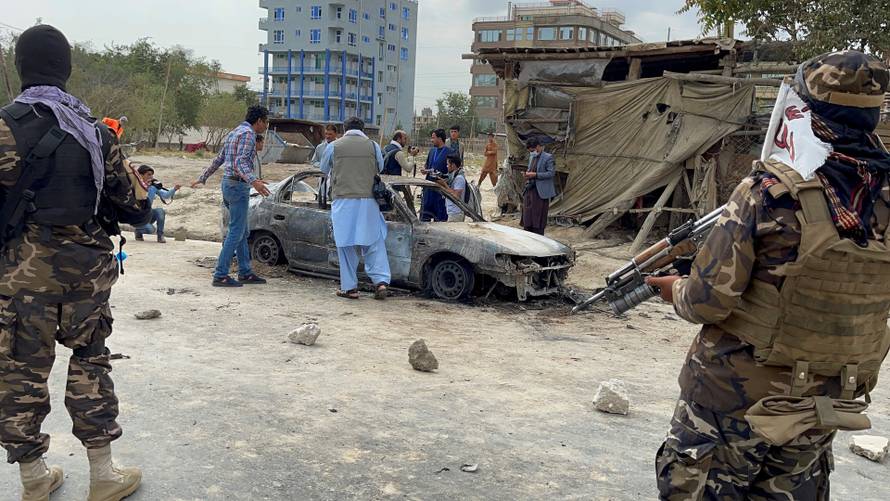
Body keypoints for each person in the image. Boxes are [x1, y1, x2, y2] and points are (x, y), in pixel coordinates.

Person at [646, 51, 890, 500]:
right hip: (825, 402)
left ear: (806, 111)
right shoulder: (881, 195)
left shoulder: (768, 192)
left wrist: (674, 289)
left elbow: (706, 301)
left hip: (733, 400)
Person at [0, 25, 148, 501]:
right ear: (66, 69)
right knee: (90, 363)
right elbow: (136, 207)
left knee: (19, 374)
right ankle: (104, 476)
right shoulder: (96, 133)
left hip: (21, 279)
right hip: (86, 278)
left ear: (21, 67)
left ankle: (34, 479)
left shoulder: (4, 127)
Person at [192, 105, 271, 287]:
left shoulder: (234, 132)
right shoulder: (249, 135)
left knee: (242, 231)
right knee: (236, 232)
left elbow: (219, 158)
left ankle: (245, 272)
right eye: (266, 122)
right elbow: (240, 162)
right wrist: (254, 181)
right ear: (259, 121)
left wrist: (203, 177)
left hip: (229, 184)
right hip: (238, 186)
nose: (266, 126)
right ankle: (220, 274)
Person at [319, 117, 390, 300]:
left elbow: (323, 168)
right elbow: (380, 167)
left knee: (346, 244)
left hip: (343, 201)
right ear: (363, 129)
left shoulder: (334, 146)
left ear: (344, 129)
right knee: (374, 242)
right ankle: (381, 282)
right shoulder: (373, 145)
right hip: (368, 201)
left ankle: (350, 288)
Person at [134, 164, 181, 243]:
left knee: (160, 211)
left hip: (148, 213)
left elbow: (166, 195)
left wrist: (174, 189)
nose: (151, 177)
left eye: (152, 175)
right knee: (151, 229)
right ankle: (138, 231)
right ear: (141, 175)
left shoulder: (153, 187)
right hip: (138, 216)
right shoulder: (135, 186)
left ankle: (160, 235)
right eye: (148, 175)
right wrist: (144, 187)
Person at [520, 137, 556, 235]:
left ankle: (538, 237)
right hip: (530, 190)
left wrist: (536, 175)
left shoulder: (548, 157)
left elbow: (551, 173)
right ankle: (528, 235)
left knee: (538, 215)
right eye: (530, 151)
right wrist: (527, 175)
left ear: (538, 147)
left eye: (532, 150)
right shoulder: (532, 157)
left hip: (540, 192)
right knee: (527, 214)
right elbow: (530, 169)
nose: (532, 153)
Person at [383, 130, 419, 212]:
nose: (406, 141)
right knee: (401, 212)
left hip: (384, 185)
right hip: (394, 187)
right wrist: (412, 156)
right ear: (399, 139)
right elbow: (408, 168)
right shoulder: (398, 152)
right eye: (405, 139)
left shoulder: (385, 148)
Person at [419, 129, 450, 221]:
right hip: (428, 189)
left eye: (433, 138)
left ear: (440, 138)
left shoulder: (450, 152)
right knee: (424, 217)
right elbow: (427, 165)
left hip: (440, 190)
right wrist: (425, 170)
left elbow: (451, 172)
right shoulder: (432, 151)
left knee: (440, 219)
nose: (431, 140)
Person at [435, 154, 469, 222]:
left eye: (448, 164)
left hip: (456, 213)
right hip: (452, 212)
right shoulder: (453, 176)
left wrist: (444, 184)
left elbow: (455, 195)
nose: (446, 166)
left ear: (453, 165)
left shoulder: (459, 178)